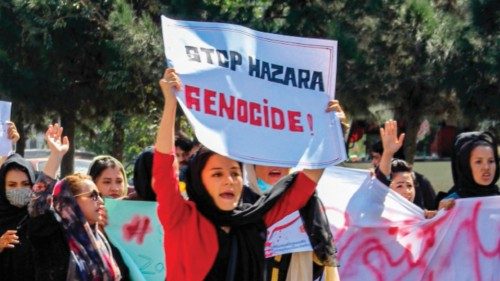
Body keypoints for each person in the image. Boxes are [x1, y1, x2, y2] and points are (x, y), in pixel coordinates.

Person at [153, 68, 327, 281]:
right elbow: (163, 168)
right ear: (199, 181)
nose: (229, 181)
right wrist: (170, 103)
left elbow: (302, 187)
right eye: (217, 174)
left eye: (235, 173)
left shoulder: (254, 217)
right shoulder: (181, 217)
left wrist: (329, 131)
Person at [28, 124, 122, 280]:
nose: (100, 201)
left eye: (99, 195)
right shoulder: (54, 238)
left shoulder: (100, 239)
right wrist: (56, 156)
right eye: (92, 196)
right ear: (70, 203)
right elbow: (37, 205)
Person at [375, 120, 437, 218]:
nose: (407, 191)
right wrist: (388, 152)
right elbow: (381, 180)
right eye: (399, 186)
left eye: (409, 186)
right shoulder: (377, 217)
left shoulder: (423, 218)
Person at [437, 131, 499, 209]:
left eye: (491, 161)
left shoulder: (497, 199)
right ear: (466, 167)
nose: (486, 167)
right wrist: (440, 213)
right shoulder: (451, 203)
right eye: (478, 162)